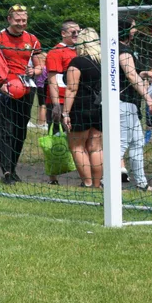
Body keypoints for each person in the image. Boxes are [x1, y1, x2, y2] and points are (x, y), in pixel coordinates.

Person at [0, 5, 41, 185]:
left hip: (26, 88)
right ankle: (7, 171)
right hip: (6, 89)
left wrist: (35, 70)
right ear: (9, 19)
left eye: (24, 20)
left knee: (21, 131)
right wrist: (0, 85)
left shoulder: (32, 39)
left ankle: (14, 167)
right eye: (18, 20)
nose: (21, 23)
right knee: (7, 130)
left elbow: (39, 65)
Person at [120, 17, 152, 191]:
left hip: (129, 104)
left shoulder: (125, 49)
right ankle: (106, 180)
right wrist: (148, 97)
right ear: (126, 30)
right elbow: (130, 75)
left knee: (137, 142)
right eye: (133, 27)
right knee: (121, 144)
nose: (135, 30)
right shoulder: (122, 50)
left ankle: (142, 183)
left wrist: (141, 73)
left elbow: (129, 74)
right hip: (122, 104)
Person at [63, 28, 104, 187]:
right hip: (99, 107)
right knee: (96, 147)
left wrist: (65, 112)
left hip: (81, 106)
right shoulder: (103, 62)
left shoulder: (78, 62)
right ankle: (96, 184)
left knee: (77, 146)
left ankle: (87, 183)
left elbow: (72, 88)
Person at [45, 20, 80, 185]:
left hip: (77, 100)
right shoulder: (56, 52)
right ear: (63, 33)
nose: (76, 35)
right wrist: (55, 105)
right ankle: (53, 177)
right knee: (56, 139)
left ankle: (85, 175)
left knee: (77, 137)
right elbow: (52, 80)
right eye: (73, 32)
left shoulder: (81, 51)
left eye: (78, 32)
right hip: (59, 100)